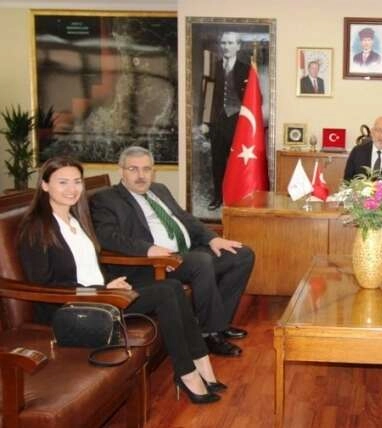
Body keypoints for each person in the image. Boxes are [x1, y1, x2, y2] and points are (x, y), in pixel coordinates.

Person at [17, 157, 225, 404]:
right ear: (44, 185)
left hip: (99, 296)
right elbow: (43, 284)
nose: (71, 189)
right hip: (71, 309)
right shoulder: (36, 227)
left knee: (172, 287)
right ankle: (187, 374)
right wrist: (101, 289)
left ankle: (201, 364)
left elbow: (90, 266)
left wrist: (110, 282)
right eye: (62, 182)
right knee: (166, 292)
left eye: (77, 182)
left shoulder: (76, 219)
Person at [90, 146, 254, 357]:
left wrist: (213, 238)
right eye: (133, 169)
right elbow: (108, 236)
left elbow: (185, 219)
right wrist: (148, 249)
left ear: (153, 171)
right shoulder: (106, 199)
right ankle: (209, 334)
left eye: (146, 169)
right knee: (201, 262)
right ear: (121, 171)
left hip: (185, 253)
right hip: (152, 265)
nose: (141, 175)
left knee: (242, 255)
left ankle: (219, 323)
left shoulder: (159, 189)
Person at [202, 31, 250, 210]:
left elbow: (255, 98)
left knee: (238, 162)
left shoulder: (246, 69)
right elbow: (207, 95)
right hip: (217, 123)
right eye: (224, 43)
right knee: (218, 162)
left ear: (238, 46)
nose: (226, 46)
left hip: (238, 123)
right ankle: (218, 197)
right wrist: (205, 122)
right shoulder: (213, 68)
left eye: (230, 43)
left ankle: (237, 198)